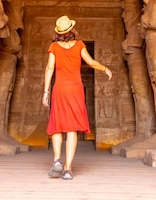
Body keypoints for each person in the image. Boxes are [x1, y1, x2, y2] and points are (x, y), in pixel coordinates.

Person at [41, 15, 113, 180]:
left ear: (58, 32)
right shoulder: (79, 45)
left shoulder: (54, 47)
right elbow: (91, 62)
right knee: (72, 128)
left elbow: (49, 69)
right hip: (75, 89)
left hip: (59, 89)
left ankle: (57, 160)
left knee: (57, 125)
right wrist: (105, 69)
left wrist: (46, 92)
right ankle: (67, 170)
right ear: (71, 30)